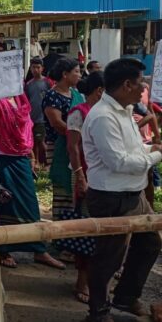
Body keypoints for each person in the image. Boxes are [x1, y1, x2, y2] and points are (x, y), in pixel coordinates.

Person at [82, 59, 162, 321]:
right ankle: (99, 312)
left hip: (134, 194)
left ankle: (125, 298)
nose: (144, 88)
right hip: (111, 198)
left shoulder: (126, 110)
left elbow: (133, 151)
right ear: (127, 85)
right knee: (109, 258)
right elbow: (119, 162)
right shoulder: (103, 117)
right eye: (141, 83)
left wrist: (151, 149)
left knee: (149, 243)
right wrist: (156, 156)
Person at [0, 93, 65, 270]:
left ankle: (38, 249)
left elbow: (27, 129)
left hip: (21, 157)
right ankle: (3, 250)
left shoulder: (21, 99)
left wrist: (31, 155)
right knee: (3, 205)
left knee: (30, 204)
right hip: (0, 159)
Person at [66, 71, 104, 305]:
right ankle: (82, 280)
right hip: (85, 174)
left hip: (104, 177)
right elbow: (73, 147)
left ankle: (97, 278)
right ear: (100, 91)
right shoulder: (78, 113)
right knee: (87, 228)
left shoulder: (105, 112)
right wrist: (80, 176)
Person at [42, 57, 83, 223]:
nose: (80, 75)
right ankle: (62, 225)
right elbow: (57, 123)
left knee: (77, 183)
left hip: (77, 145)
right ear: (65, 74)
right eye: (76, 71)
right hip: (59, 146)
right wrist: (75, 134)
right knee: (63, 187)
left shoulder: (76, 94)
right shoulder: (52, 96)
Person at [25, 57, 53, 170]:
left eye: (38, 67)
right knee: (34, 141)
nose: (35, 70)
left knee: (41, 140)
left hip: (43, 117)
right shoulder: (28, 84)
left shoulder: (47, 82)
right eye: (33, 67)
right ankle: (36, 162)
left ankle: (45, 162)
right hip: (32, 117)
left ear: (42, 68)